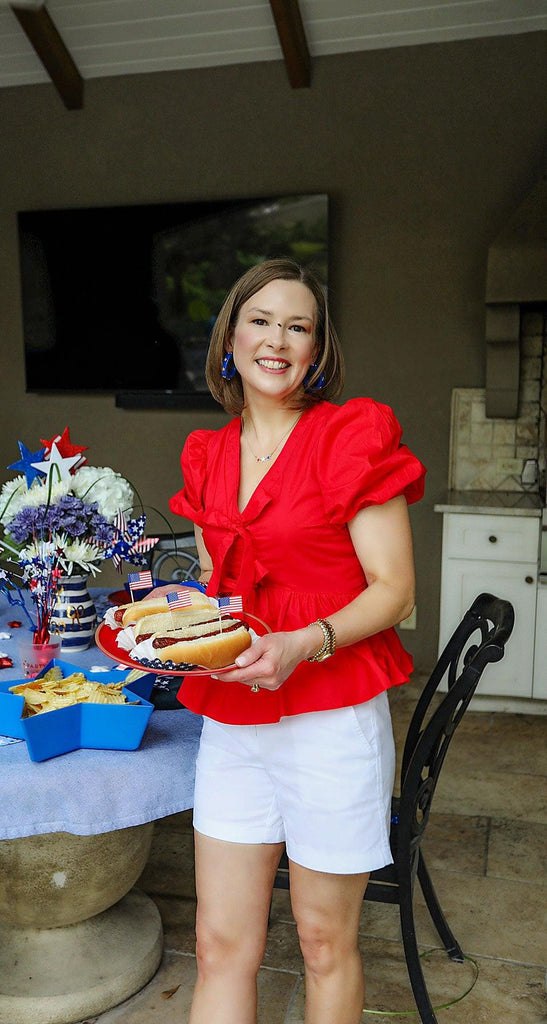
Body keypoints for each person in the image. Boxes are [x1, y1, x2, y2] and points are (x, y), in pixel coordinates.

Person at [163, 257, 425, 1024]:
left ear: (317, 350)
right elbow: (220, 588)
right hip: (235, 722)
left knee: (321, 942)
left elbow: (395, 590)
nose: (276, 339)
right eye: (260, 320)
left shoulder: (349, 435)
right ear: (230, 338)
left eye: (297, 326)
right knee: (218, 944)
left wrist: (300, 642)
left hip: (329, 723)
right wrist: (177, 614)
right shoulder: (208, 455)